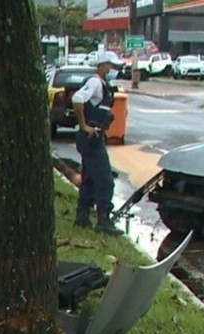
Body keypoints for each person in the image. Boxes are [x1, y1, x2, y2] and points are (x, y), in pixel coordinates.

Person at [72, 51, 124, 235]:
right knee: (105, 179)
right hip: (91, 138)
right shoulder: (94, 82)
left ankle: (82, 216)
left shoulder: (103, 85)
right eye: (111, 66)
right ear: (103, 66)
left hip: (93, 137)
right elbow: (77, 99)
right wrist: (84, 126)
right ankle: (103, 221)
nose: (113, 70)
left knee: (90, 178)